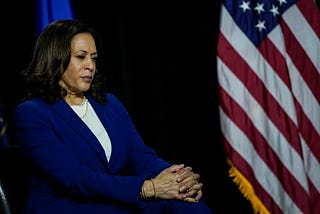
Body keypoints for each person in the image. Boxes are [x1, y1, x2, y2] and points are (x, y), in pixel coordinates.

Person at [14, 19, 212, 214]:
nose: (90, 66)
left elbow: (140, 156)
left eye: (94, 58)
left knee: (186, 201)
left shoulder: (109, 104)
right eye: (81, 57)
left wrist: (179, 179)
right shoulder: (32, 113)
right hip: (68, 205)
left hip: (115, 201)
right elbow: (75, 178)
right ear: (54, 58)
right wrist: (148, 188)